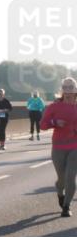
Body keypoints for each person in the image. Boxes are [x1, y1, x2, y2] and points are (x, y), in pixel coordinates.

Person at [40, 77, 77, 217]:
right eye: (65, 89)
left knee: (70, 177)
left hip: (75, 146)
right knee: (61, 179)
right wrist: (54, 122)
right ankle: (60, 193)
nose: (68, 92)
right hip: (58, 147)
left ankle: (66, 206)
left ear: (75, 91)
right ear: (62, 91)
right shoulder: (54, 107)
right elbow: (42, 125)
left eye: (71, 89)